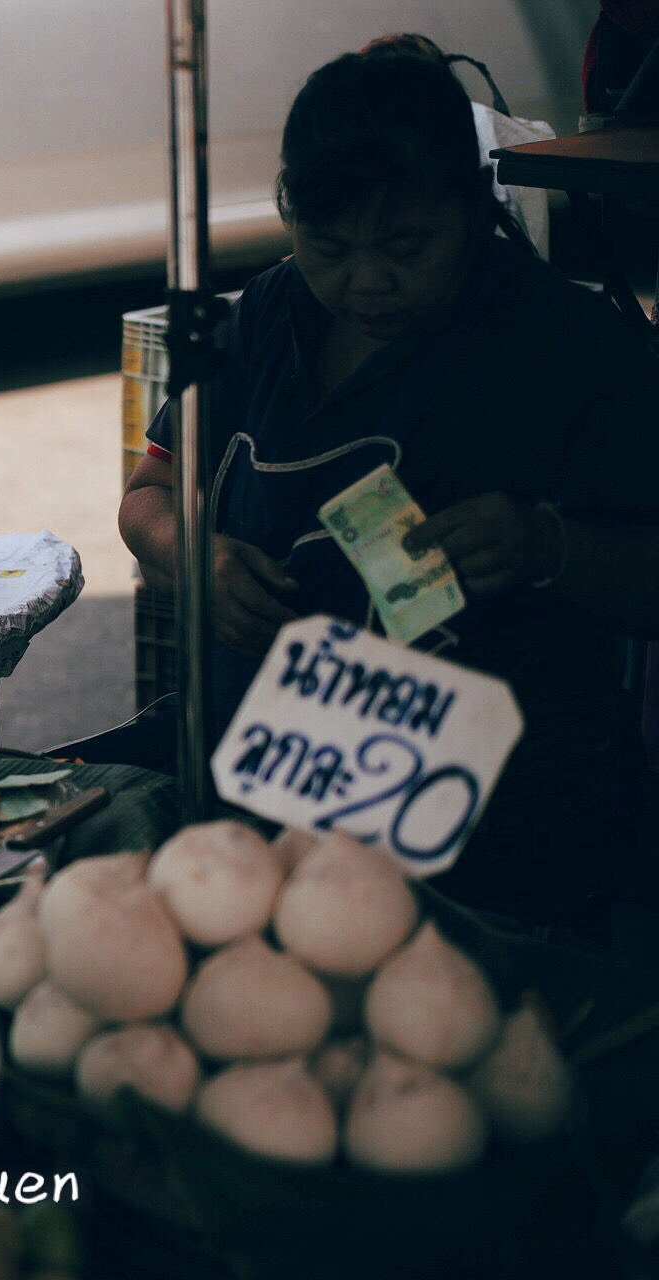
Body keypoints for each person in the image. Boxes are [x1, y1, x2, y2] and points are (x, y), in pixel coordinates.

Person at [117, 36, 659, 934]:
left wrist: (546, 545)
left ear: (470, 206)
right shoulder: (267, 317)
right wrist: (196, 559)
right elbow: (146, 499)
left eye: (407, 245)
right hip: (257, 810)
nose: (367, 281)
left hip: (496, 852)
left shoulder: (563, 347)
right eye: (330, 246)